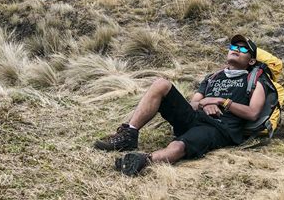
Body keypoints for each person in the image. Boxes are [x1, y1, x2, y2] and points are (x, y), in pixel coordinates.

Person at [94, 34, 271, 176]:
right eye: (233, 47)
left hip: (219, 128)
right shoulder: (213, 77)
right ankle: (129, 134)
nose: (236, 50)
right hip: (196, 116)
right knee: (161, 84)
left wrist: (220, 101)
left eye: (242, 49)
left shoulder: (254, 80)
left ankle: (144, 160)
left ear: (251, 61)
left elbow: (253, 113)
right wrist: (204, 103)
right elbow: (194, 103)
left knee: (179, 145)